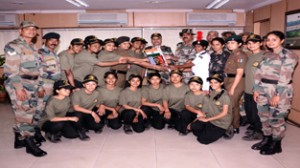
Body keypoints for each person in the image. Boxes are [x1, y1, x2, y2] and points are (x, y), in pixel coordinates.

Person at [3, 20, 47, 157]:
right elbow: (11, 70)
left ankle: (19, 140)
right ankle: (29, 143)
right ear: (20, 30)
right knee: (25, 113)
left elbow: (38, 69)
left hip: (33, 84)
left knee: (26, 112)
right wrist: (18, 88)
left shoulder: (33, 47)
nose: (31, 31)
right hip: (20, 84)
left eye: (34, 29)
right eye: (28, 28)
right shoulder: (13, 46)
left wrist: (39, 86)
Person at [252, 31, 298, 155]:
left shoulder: (288, 55)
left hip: (279, 90)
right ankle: (267, 139)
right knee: (263, 116)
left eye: (274, 39)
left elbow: (285, 77)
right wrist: (256, 89)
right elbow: (258, 73)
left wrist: (277, 94)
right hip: (263, 89)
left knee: (276, 118)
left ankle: (276, 144)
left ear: (282, 41)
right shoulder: (267, 55)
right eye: (268, 39)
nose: (270, 42)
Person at [191, 73, 232, 144]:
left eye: (216, 82)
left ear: (221, 83)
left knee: (202, 140)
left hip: (221, 123)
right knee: (194, 126)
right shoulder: (213, 92)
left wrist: (207, 119)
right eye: (211, 82)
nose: (213, 84)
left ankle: (226, 129)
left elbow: (224, 113)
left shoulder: (225, 97)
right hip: (211, 119)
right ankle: (209, 132)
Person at [223, 35, 248, 136]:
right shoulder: (232, 54)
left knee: (230, 105)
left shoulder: (240, 55)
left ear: (240, 44)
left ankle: (230, 127)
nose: (229, 45)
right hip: (229, 79)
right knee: (234, 105)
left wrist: (233, 88)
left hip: (236, 81)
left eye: (232, 43)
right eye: (228, 43)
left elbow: (240, 72)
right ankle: (235, 125)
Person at [242, 34, 264, 141]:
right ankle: (254, 127)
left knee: (256, 113)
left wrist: (259, 89)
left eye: (254, 42)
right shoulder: (249, 56)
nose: (251, 45)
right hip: (248, 89)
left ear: (260, 43)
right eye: (249, 43)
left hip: (258, 90)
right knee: (249, 111)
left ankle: (259, 132)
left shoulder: (264, 56)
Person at [71, 74, 103, 140]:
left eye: (93, 84)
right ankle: (80, 130)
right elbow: (76, 108)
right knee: (78, 114)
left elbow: (98, 104)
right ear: (84, 85)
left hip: (87, 113)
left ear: (96, 85)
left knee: (98, 125)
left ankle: (84, 125)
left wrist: (101, 107)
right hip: (74, 113)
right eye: (88, 84)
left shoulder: (97, 93)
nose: (91, 86)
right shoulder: (77, 93)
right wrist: (92, 113)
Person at [39, 32, 62, 107]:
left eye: (56, 41)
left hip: (53, 85)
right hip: (44, 84)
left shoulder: (55, 54)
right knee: (40, 107)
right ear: (45, 41)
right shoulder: (40, 53)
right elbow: (35, 72)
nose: (54, 42)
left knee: (49, 107)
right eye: (51, 40)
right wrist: (40, 87)